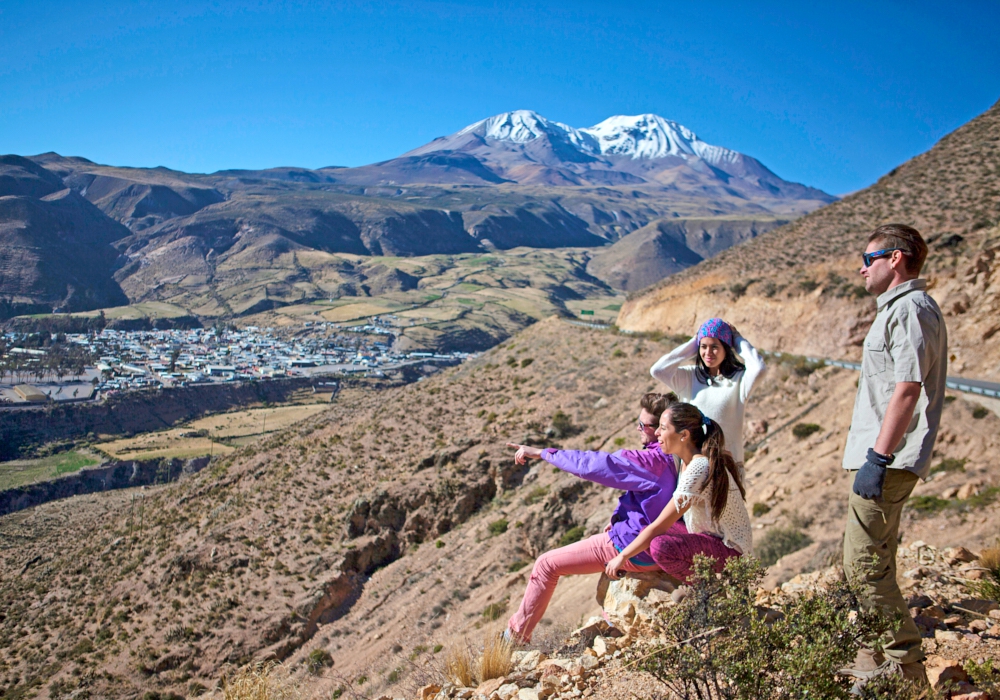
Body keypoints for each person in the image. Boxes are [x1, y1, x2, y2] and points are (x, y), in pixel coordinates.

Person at [839, 224, 946, 692]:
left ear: (896, 258)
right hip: (887, 457)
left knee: (861, 563)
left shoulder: (912, 309)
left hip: (891, 460)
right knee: (877, 560)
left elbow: (907, 387)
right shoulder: (902, 310)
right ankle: (875, 660)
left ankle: (905, 673)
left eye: (869, 258)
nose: (861, 268)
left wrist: (877, 458)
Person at [503, 392, 680, 643]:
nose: (638, 428)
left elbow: (592, 464)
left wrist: (544, 453)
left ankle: (514, 636)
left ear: (663, 429)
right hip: (659, 546)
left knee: (546, 565)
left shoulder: (650, 460)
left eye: (644, 425)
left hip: (634, 549)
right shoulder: (679, 456)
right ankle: (610, 621)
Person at [604, 402, 751, 582]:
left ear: (684, 435)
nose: (657, 432)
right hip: (709, 538)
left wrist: (622, 557)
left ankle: (707, 590)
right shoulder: (685, 462)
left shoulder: (698, 468)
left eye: (663, 428)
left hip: (731, 551)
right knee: (644, 531)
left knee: (659, 546)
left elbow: (661, 525)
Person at [650, 319, 765, 465]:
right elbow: (658, 370)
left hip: (727, 468)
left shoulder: (739, 380)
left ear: (726, 348)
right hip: (691, 469)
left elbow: (759, 368)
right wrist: (695, 341)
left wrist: (736, 338)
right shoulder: (689, 377)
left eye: (715, 347)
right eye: (703, 347)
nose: (708, 353)